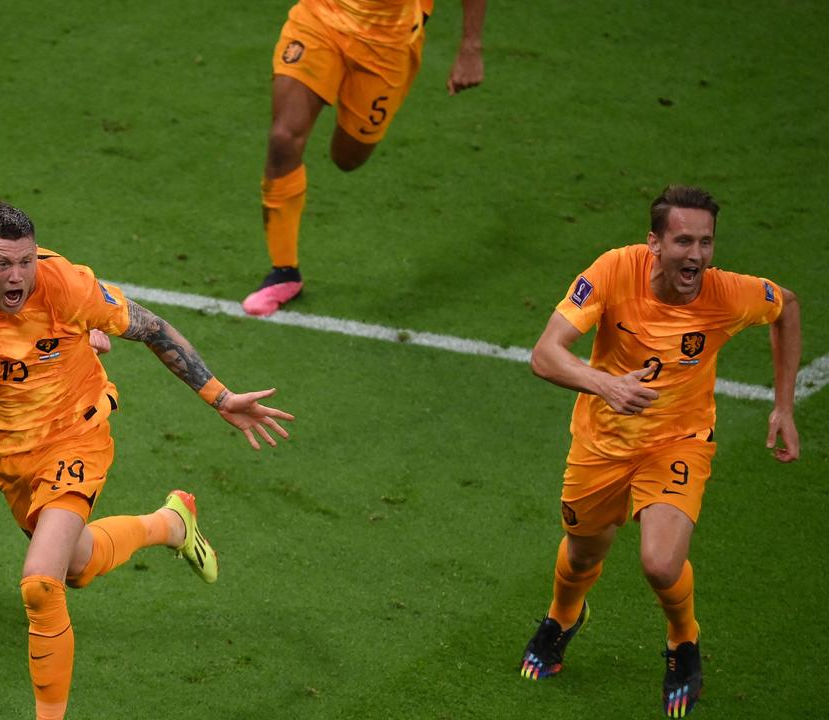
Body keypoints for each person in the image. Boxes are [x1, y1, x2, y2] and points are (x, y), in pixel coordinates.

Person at [0, 202, 295, 719]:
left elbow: (153, 328)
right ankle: (170, 523)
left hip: (77, 435)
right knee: (76, 566)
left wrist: (221, 398)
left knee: (40, 584)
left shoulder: (66, 284)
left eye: (25, 261)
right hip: (8, 457)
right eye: (2, 264)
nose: (17, 275)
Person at [519, 186, 801, 717]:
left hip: (678, 441)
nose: (695, 255)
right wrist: (606, 386)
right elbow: (545, 354)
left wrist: (783, 405)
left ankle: (683, 641)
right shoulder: (613, 270)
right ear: (655, 243)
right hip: (601, 443)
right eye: (683, 241)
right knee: (582, 554)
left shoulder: (729, 294)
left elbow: (786, 304)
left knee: (660, 561)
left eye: (706, 242)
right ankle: (563, 615)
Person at [243, 0, 487, 317]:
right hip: (319, 19)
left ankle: (344, 89)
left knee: (348, 157)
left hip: (388, 43)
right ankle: (284, 271)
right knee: (282, 140)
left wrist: (471, 45)